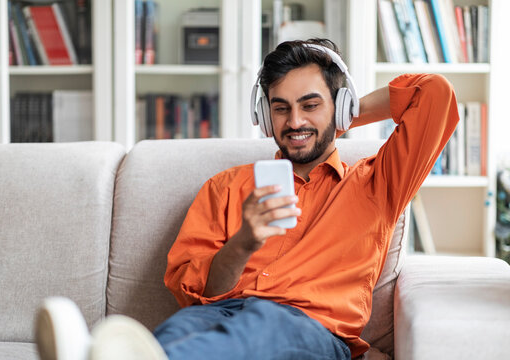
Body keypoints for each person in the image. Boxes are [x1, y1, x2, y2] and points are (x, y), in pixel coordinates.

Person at [35, 38, 459, 360]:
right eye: (280, 108)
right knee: (182, 328)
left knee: (263, 323)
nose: (295, 121)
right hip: (218, 316)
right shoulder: (227, 187)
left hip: (313, 332)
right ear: (263, 114)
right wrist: (243, 242)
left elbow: (436, 94)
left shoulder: (377, 184)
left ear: (340, 106)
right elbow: (191, 292)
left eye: (311, 105)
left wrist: (349, 111)